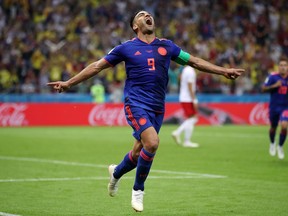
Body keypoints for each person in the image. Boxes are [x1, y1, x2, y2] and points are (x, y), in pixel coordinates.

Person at [47, 10, 245, 212]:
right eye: (142, 15)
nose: (147, 16)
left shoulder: (167, 46)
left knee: (137, 152)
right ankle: (138, 190)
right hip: (136, 104)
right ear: (135, 26)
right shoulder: (126, 48)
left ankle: (116, 173)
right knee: (152, 142)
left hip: (158, 107)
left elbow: (194, 61)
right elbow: (97, 67)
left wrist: (223, 71)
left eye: (149, 15)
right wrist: (69, 83)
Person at [262, 58, 288, 159]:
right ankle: (272, 143)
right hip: (274, 107)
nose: (283, 67)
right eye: (281, 65)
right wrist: (274, 86)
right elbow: (263, 89)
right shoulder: (272, 77)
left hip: (285, 107)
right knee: (273, 127)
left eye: (285, 65)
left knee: (284, 126)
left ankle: (280, 146)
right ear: (278, 67)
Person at [172, 65, 199, 148]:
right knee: (193, 118)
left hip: (184, 97)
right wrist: (194, 99)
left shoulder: (185, 70)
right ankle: (179, 134)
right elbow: (190, 85)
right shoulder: (190, 71)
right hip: (188, 98)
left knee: (192, 118)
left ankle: (185, 139)